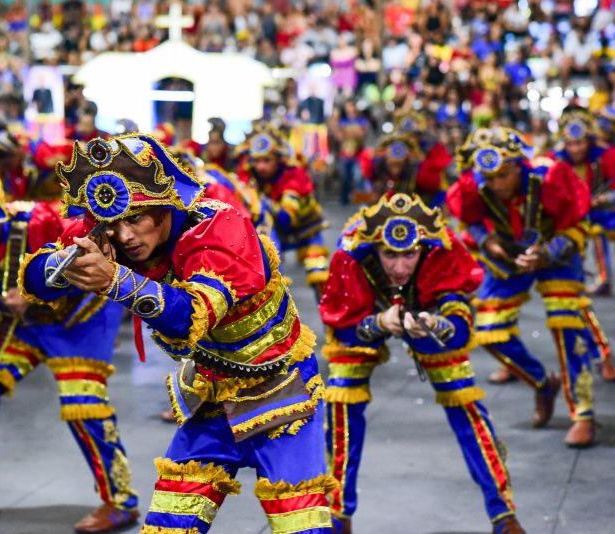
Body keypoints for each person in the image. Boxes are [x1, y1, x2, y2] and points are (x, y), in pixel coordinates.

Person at [21, 134, 335, 533]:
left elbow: (191, 319)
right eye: (113, 223)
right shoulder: (111, 233)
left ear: (165, 204)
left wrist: (115, 279)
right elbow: (35, 277)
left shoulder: (221, 228)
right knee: (169, 524)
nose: (125, 236)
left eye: (135, 218)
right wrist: (68, 262)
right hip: (209, 395)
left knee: (302, 525)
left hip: (279, 392)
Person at [0, 165, 138, 532]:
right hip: (23, 326)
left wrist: (37, 292)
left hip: (81, 318)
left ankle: (120, 501)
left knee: (84, 403)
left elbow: (92, 253)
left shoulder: (39, 221)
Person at [320, 193, 524, 534]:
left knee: (464, 398)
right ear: (375, 248)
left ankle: (504, 512)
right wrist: (379, 323)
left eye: (409, 254)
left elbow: (459, 327)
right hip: (368, 309)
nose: (400, 267)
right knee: (341, 393)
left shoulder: (442, 249)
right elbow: (344, 327)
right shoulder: (350, 255)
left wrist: (437, 325)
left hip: (428, 308)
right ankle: (337, 512)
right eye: (390, 255)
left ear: (424, 248)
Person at [447, 127, 603, 448]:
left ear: (519, 165)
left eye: (503, 175)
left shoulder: (551, 178)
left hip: (557, 252)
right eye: (489, 178)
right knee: (489, 330)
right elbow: (470, 220)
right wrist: (487, 241)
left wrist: (547, 253)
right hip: (509, 252)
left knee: (568, 326)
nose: (496, 185)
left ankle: (583, 413)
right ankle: (542, 382)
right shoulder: (476, 183)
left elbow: (578, 224)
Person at [237, 123, 330, 295]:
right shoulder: (249, 175)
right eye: (256, 160)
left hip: (307, 230)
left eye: (267, 160)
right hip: (276, 232)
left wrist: (262, 200)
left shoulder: (293, 176)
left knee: (320, 277)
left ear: (279, 159)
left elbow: (287, 219)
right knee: (269, 269)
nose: (261, 167)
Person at [552, 107, 615, 297]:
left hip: (602, 215)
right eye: (570, 144)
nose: (575, 149)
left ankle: (603, 278)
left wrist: (606, 198)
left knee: (596, 228)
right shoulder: (557, 160)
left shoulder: (606, 156)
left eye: (580, 143)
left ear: (588, 140)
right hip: (571, 217)